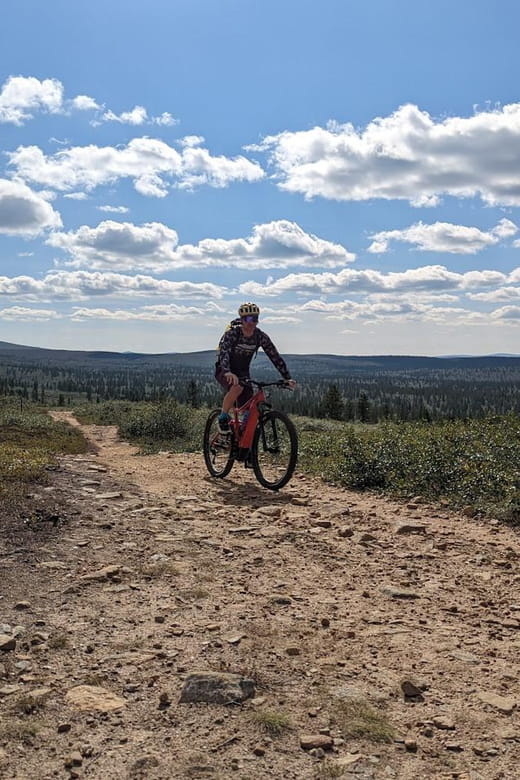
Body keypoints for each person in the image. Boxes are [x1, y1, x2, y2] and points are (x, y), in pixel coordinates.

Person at [215, 302, 296, 433]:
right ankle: (223, 417)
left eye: (255, 318)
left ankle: (243, 442)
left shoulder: (260, 336)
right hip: (225, 369)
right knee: (237, 388)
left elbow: (274, 356)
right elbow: (224, 353)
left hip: (243, 372)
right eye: (248, 318)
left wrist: (287, 378)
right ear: (242, 320)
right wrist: (227, 372)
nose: (251, 322)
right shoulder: (233, 334)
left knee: (250, 410)